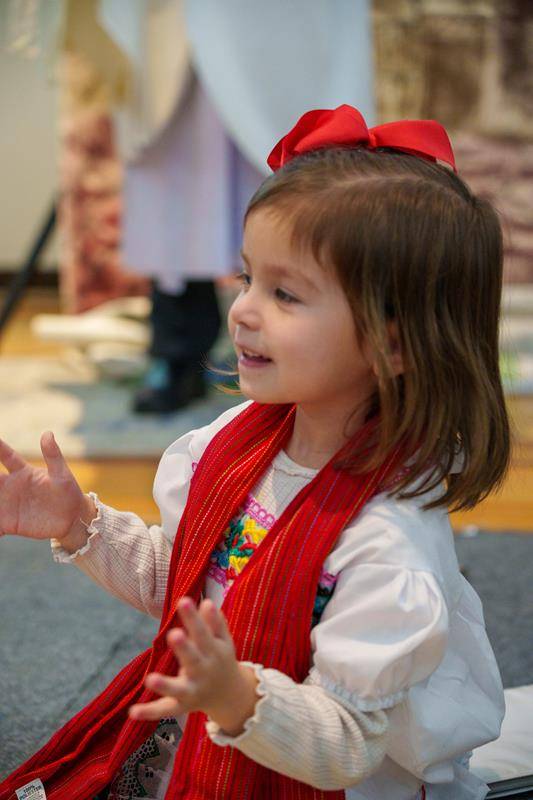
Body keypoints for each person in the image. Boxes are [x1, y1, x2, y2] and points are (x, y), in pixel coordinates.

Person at [0, 105, 511, 800]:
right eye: (247, 279)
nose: (241, 311)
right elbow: (186, 588)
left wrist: (236, 695)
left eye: (285, 294)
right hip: (220, 730)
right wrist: (77, 524)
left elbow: (344, 746)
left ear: (394, 343)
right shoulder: (231, 445)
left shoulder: (383, 547)